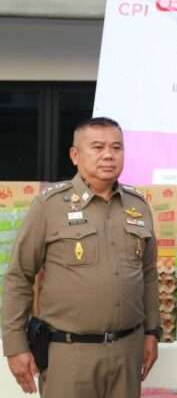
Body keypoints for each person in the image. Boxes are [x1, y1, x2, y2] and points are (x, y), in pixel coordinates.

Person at [2, 117, 160, 397]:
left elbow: (148, 275)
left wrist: (152, 332)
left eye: (116, 147)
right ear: (75, 155)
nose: (108, 155)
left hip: (127, 351)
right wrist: (15, 346)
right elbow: (19, 276)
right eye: (97, 147)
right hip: (69, 354)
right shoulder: (49, 206)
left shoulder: (137, 206)